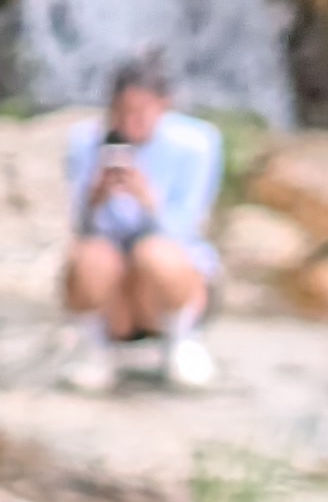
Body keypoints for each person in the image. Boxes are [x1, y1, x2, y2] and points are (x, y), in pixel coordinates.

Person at [59, 54, 222, 393]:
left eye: (141, 112)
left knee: (154, 253)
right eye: (122, 112)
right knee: (89, 256)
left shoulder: (197, 143)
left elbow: (186, 229)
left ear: (164, 106)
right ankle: (93, 345)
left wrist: (147, 200)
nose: (130, 123)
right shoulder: (86, 140)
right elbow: (81, 229)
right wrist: (97, 195)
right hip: (114, 283)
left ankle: (182, 339)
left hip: (172, 276)